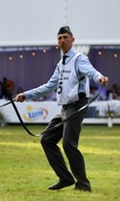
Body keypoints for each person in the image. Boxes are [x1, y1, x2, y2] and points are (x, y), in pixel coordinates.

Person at [14, 26, 109, 192]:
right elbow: (49, 86)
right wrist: (26, 95)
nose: (62, 40)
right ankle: (65, 178)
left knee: (68, 144)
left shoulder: (79, 58)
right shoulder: (61, 64)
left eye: (65, 37)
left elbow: (91, 71)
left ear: (73, 40)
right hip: (66, 108)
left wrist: (99, 78)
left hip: (77, 105)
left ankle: (83, 184)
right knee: (46, 139)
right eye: (59, 38)